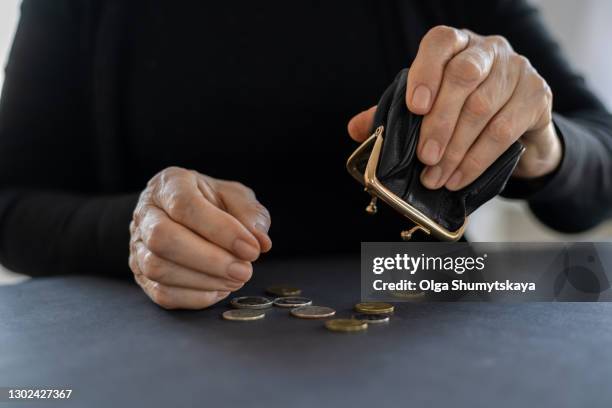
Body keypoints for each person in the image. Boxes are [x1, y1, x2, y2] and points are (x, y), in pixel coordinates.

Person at [0, 0, 611, 309]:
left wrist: (541, 144)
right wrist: (131, 230)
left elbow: (600, 163)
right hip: (155, 351)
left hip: (432, 320)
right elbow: (12, 206)